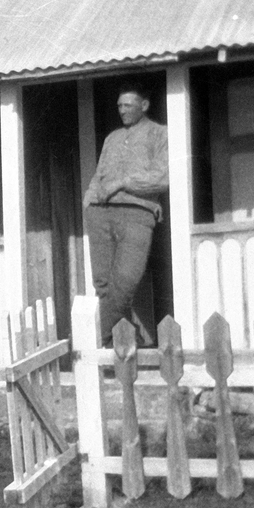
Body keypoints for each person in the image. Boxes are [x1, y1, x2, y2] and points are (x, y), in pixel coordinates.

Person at [83, 84, 169, 347]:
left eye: (128, 105)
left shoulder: (160, 134)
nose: (122, 111)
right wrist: (89, 197)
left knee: (125, 281)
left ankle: (95, 339)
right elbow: (100, 174)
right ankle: (122, 342)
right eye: (119, 106)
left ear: (144, 105)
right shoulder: (112, 138)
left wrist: (122, 183)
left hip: (137, 213)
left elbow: (163, 177)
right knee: (103, 284)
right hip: (100, 213)